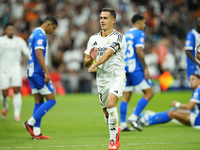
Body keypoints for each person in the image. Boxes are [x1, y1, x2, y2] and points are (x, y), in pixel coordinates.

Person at [84, 8, 126, 150]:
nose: (102, 20)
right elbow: (85, 62)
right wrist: (91, 59)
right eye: (101, 18)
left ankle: (113, 140)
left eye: (105, 18)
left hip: (117, 76)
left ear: (113, 20)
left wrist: (95, 64)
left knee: (111, 104)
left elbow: (108, 54)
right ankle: (115, 130)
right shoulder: (93, 39)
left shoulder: (118, 37)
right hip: (102, 79)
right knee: (106, 113)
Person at [23, 16, 58, 140]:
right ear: (48, 25)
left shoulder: (34, 33)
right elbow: (38, 53)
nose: (53, 31)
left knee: (39, 101)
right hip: (38, 73)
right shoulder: (40, 34)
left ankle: (36, 133)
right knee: (52, 100)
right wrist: (46, 72)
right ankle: (30, 123)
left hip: (31, 71)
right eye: (53, 28)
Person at [119, 14, 154, 132]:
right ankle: (134, 117)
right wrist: (146, 67)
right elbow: (139, 50)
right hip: (135, 67)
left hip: (124, 67)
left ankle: (123, 124)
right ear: (138, 23)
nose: (144, 25)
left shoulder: (125, 35)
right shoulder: (139, 33)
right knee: (149, 93)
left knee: (126, 96)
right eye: (143, 23)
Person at [0, 23, 29, 121]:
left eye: (12, 29)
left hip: (16, 69)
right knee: (4, 94)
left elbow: (26, 52)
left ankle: (17, 114)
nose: (11, 31)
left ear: (14, 30)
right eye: (9, 29)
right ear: (6, 31)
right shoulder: (1, 41)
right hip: (4, 71)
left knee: (17, 90)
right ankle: (5, 106)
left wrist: (34, 56)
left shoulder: (19, 41)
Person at [185, 16, 200, 82]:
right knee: (195, 85)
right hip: (193, 66)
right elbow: (187, 51)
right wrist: (197, 63)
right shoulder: (191, 34)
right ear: (196, 23)